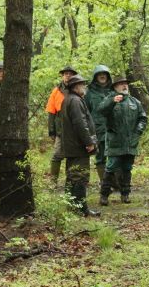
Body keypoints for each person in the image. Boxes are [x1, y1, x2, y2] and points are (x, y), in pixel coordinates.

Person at [97, 77, 147, 205]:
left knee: (127, 168)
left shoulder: (135, 102)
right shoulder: (110, 99)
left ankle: (125, 194)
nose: (124, 86)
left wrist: (138, 131)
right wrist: (112, 102)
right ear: (115, 87)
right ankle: (104, 195)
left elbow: (143, 118)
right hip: (115, 141)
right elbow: (101, 110)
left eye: (125, 84)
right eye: (121, 84)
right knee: (111, 167)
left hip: (131, 142)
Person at [59, 74, 100, 217]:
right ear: (76, 87)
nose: (85, 87)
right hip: (78, 147)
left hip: (72, 147)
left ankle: (72, 208)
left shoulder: (68, 99)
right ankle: (81, 209)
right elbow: (80, 123)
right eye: (82, 84)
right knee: (79, 177)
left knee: (72, 176)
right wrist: (88, 142)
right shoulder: (75, 101)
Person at [45, 65, 77, 184]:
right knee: (57, 155)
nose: (68, 75)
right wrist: (51, 131)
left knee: (73, 156)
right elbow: (51, 112)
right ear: (62, 76)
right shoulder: (56, 91)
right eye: (65, 73)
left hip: (75, 130)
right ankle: (53, 182)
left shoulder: (78, 89)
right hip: (61, 130)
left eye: (70, 73)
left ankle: (72, 181)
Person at [85, 65, 114, 185]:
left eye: (105, 74)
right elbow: (85, 112)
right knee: (100, 157)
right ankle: (104, 182)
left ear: (108, 76)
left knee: (114, 156)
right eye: (99, 74)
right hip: (97, 129)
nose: (102, 76)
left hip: (113, 129)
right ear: (95, 77)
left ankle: (115, 182)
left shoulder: (113, 91)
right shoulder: (89, 93)